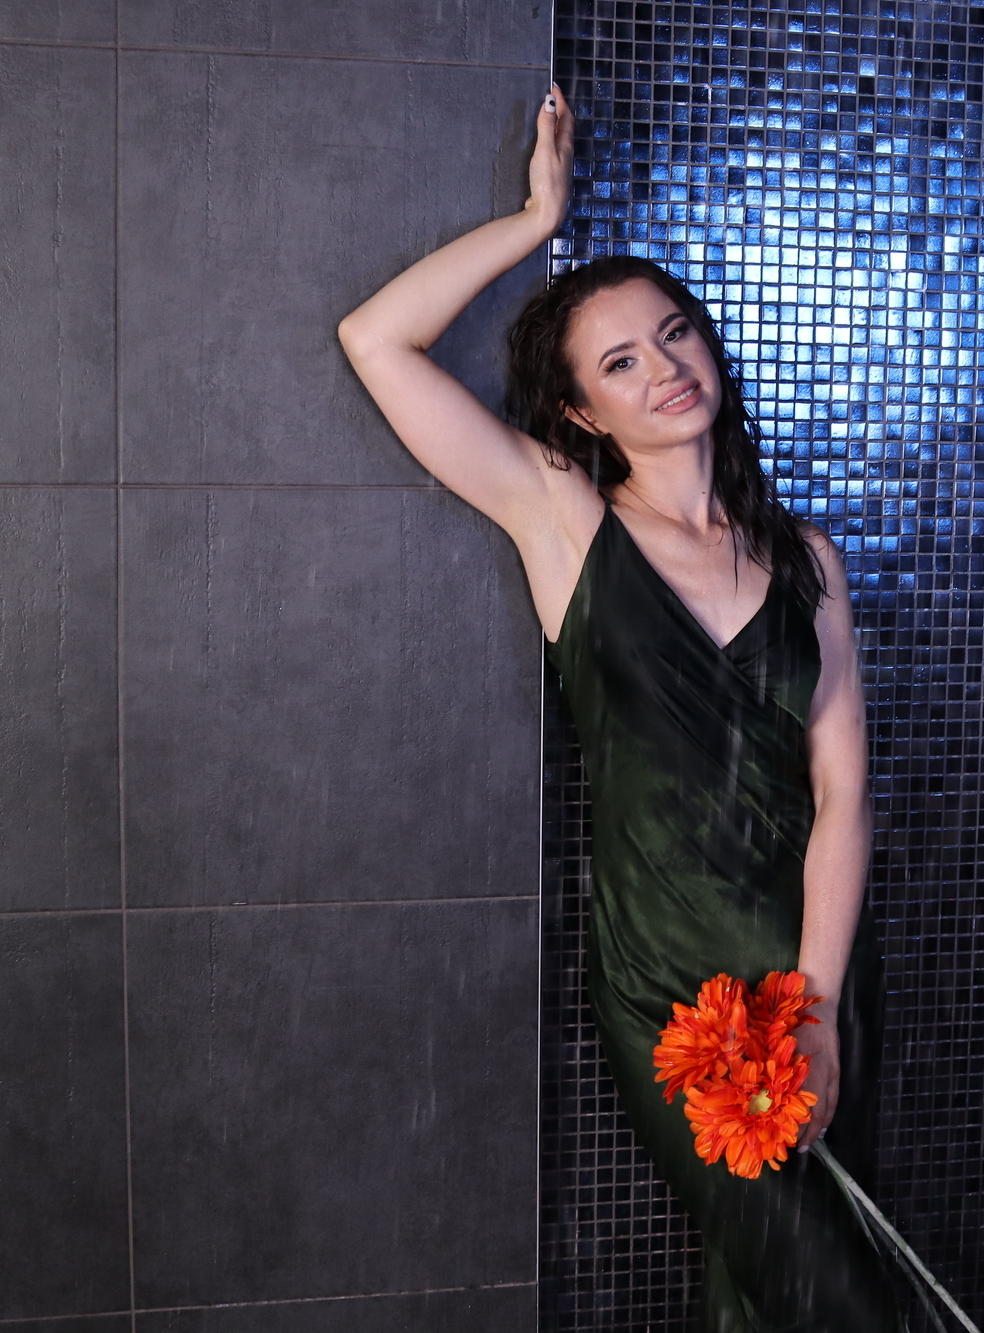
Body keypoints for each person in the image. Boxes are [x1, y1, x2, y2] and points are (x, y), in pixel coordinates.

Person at [336, 83, 902, 1331]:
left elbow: (843, 793)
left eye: (674, 333)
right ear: (580, 413)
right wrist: (534, 221)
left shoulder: (806, 559)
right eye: (620, 362)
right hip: (670, 993)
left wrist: (814, 1012)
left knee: (764, 1304)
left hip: (810, 977)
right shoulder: (565, 522)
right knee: (837, 1302)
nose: (665, 369)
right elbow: (375, 340)